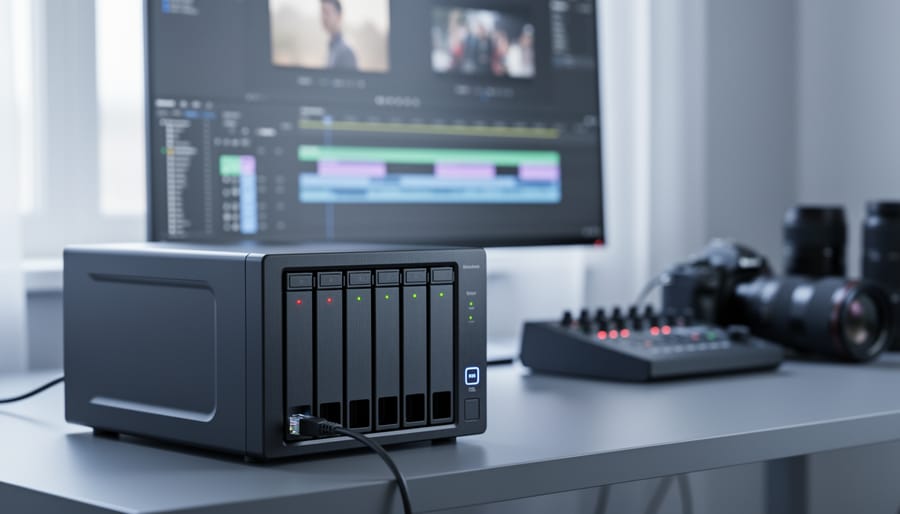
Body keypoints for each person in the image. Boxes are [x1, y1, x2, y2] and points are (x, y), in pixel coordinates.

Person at [320, 0, 357, 70]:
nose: (323, 17)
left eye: (327, 12)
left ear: (339, 16)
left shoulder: (346, 53)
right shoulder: (332, 48)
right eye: (322, 12)